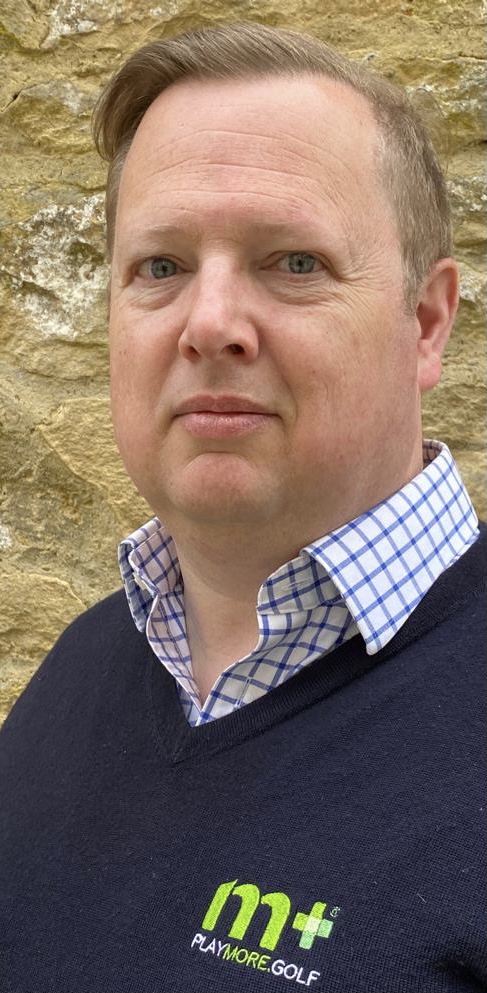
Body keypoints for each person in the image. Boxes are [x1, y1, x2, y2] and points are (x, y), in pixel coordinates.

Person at [0, 21, 485, 993]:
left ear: (425, 324)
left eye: (293, 262)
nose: (211, 323)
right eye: (161, 267)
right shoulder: (77, 675)